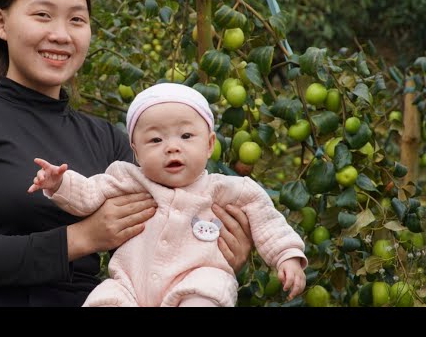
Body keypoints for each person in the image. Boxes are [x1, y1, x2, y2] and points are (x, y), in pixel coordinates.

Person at [0, 0, 254, 307]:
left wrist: (216, 248)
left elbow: (164, 236)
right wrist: (83, 237)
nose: (61, 35)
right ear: (1, 23)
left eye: (76, 20)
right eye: (42, 15)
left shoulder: (111, 140)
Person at [29, 82, 307, 307]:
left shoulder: (227, 189)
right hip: (129, 287)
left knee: (206, 295)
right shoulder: (126, 178)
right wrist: (59, 184)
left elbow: (267, 220)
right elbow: (88, 194)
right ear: (136, 152)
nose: (172, 147)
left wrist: (287, 256)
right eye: (156, 140)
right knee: (104, 299)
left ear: (210, 144)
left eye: (186, 136)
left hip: (197, 281)